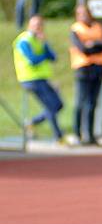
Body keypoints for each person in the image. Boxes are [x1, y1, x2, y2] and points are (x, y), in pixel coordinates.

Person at [13, 14, 65, 143]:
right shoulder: (24, 40)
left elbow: (53, 57)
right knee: (51, 106)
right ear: (29, 26)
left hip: (42, 78)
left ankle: (31, 123)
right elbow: (33, 60)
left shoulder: (40, 40)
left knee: (58, 105)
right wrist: (44, 55)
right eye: (35, 25)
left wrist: (45, 44)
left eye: (40, 25)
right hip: (30, 79)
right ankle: (59, 137)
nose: (38, 28)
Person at [70, 4, 102, 146]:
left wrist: (92, 44)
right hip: (84, 69)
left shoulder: (99, 27)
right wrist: (97, 46)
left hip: (98, 69)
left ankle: (90, 135)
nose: (83, 16)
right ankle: (77, 134)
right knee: (81, 103)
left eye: (85, 13)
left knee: (92, 104)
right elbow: (82, 49)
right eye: (80, 14)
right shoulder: (75, 29)